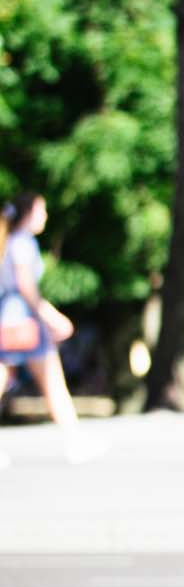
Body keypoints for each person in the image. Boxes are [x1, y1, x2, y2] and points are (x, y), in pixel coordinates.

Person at [0, 192, 99, 463]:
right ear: (29, 212)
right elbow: (26, 288)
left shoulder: (10, 241)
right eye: (42, 210)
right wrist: (52, 317)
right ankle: (76, 441)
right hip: (22, 319)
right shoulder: (22, 244)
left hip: (8, 318)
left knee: (8, 377)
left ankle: (76, 440)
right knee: (53, 381)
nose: (45, 216)